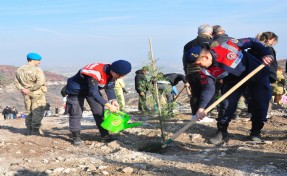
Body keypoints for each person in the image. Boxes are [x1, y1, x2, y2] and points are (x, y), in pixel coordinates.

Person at [187, 38, 273, 144]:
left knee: (260, 102)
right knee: (226, 104)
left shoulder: (228, 45)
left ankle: (256, 131)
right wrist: (201, 108)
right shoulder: (205, 71)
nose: (199, 66)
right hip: (233, 81)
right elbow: (208, 89)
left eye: (199, 63)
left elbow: (252, 41)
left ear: (205, 56)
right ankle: (222, 132)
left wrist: (265, 54)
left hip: (256, 74)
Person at [65, 60, 132, 145]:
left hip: (92, 90)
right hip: (76, 90)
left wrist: (113, 100)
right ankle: (76, 137)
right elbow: (94, 93)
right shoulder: (95, 73)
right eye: (119, 75)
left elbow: (110, 87)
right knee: (76, 112)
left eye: (123, 75)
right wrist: (109, 106)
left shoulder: (113, 73)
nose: (120, 77)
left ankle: (105, 136)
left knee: (99, 111)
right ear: (112, 70)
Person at [182, 24, 213, 115]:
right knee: (208, 92)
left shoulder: (188, 45)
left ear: (198, 32)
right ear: (210, 32)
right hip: (206, 72)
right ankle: (205, 115)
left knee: (195, 94)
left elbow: (184, 60)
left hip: (191, 73)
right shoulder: (211, 43)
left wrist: (186, 72)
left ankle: (194, 115)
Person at [15, 53, 47, 135]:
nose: (39, 62)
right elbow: (40, 82)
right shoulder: (37, 69)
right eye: (38, 60)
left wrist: (23, 89)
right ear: (32, 60)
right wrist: (30, 89)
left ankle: (29, 129)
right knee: (37, 111)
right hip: (37, 93)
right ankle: (35, 131)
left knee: (28, 111)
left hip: (25, 94)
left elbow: (16, 83)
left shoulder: (19, 70)